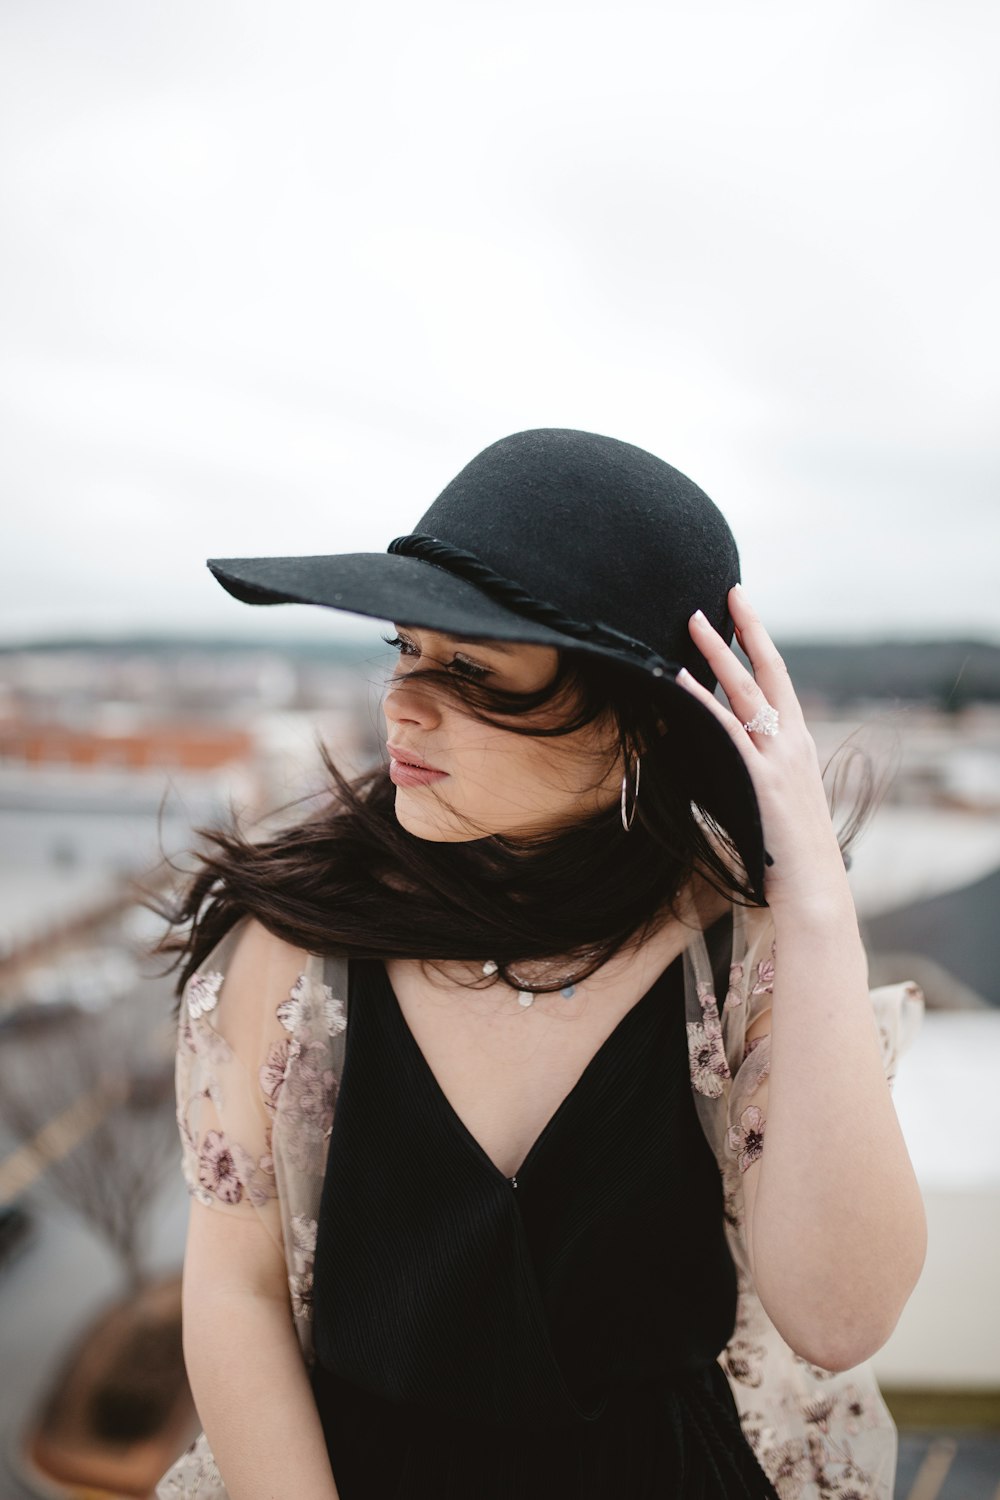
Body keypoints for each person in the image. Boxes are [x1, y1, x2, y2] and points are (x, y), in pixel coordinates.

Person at [155, 429, 926, 1500]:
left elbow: (840, 1316)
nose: (403, 702)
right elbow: (233, 1294)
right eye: (405, 649)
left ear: (639, 724)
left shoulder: (735, 953)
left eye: (470, 668)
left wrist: (813, 901)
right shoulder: (293, 945)